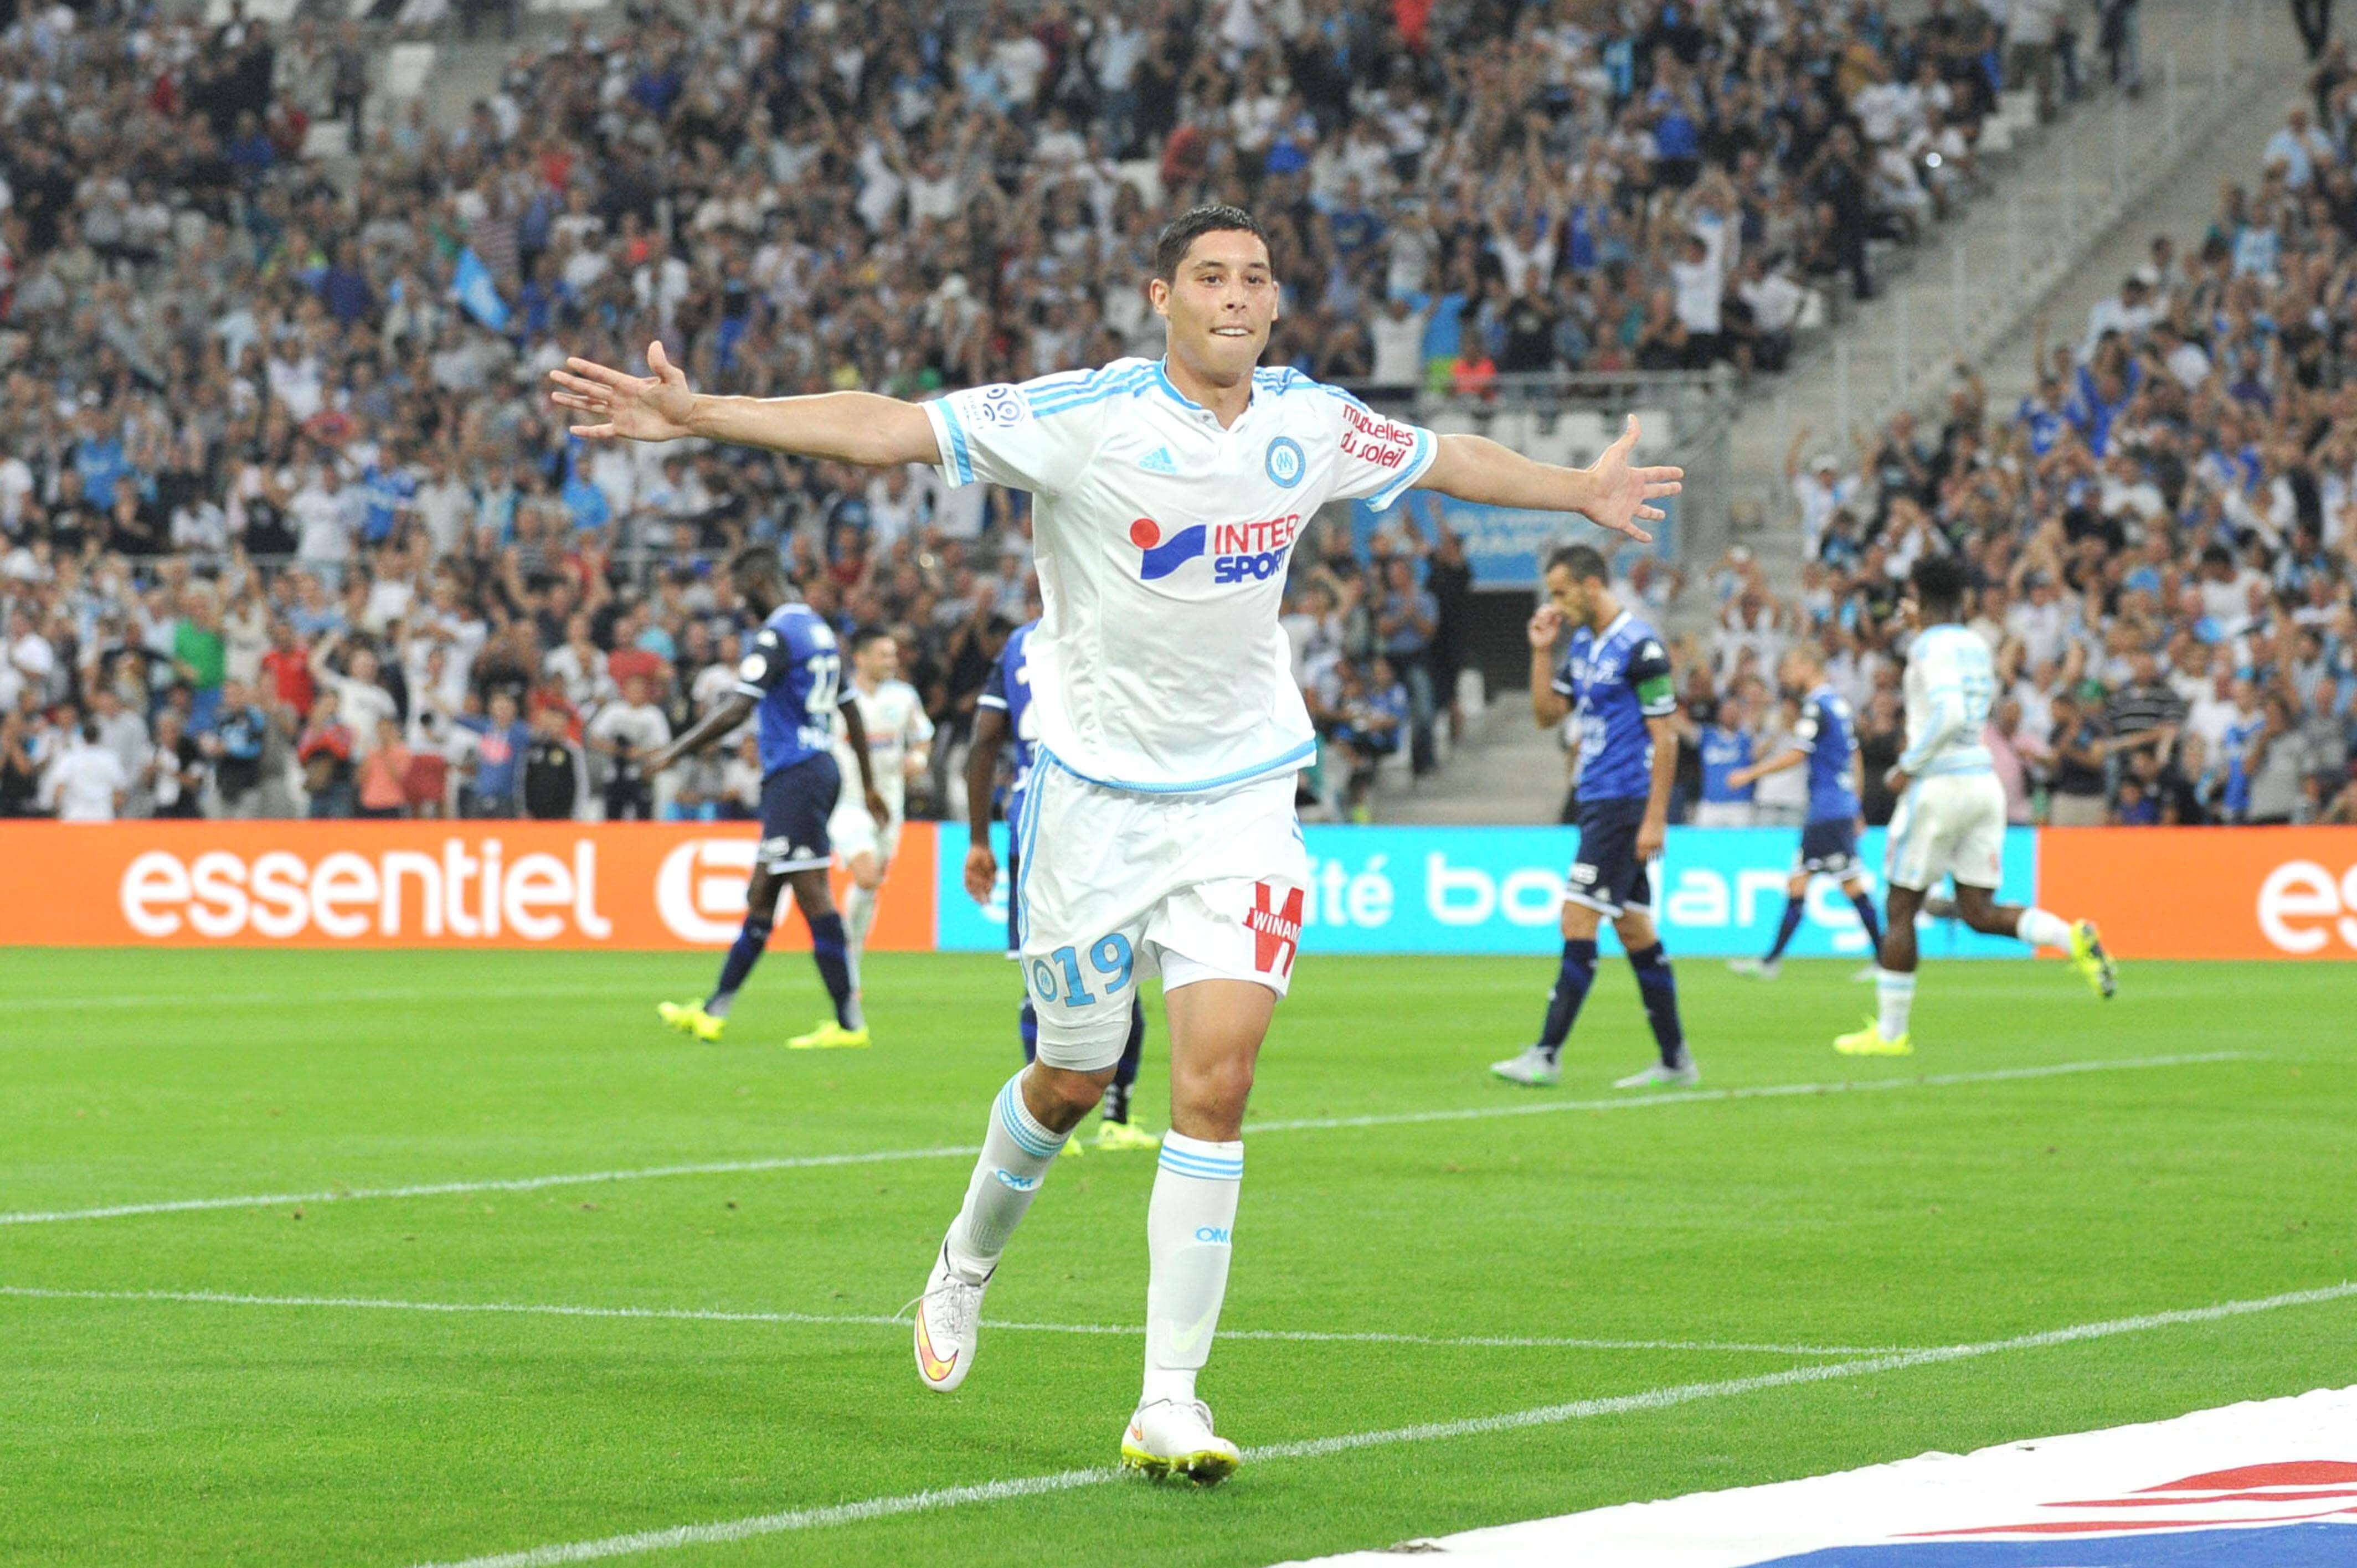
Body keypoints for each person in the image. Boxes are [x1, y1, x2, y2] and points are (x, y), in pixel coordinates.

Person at [547, 203, 1674, 1482]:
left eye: (1256, 277)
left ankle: (1170, 1400)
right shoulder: (1085, 417)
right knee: (1073, 1078)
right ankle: (966, 1259)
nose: (1237, 296)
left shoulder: (1309, 421)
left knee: (1217, 1087)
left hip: (1246, 797)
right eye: (1212, 276)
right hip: (1091, 804)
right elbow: (887, 428)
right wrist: (703, 415)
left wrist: (1579, 487)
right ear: (1163, 296)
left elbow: (1447, 455)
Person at [1838, 557, 2117, 1058]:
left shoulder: (1927, 646)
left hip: (1938, 785)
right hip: (1981, 782)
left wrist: (1908, 764)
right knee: (1978, 911)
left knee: (1901, 906)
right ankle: (2071, 936)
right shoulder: (1974, 643)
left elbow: (1947, 710)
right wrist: (1920, 618)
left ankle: (1890, 1033)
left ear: (1918, 593)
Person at [644, 545, 887, 1052]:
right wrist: (867, 784)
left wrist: (676, 750)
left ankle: (849, 1023)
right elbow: (852, 712)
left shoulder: (776, 634)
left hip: (796, 773)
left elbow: (737, 709)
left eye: (736, 587)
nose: (733, 600)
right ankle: (714, 1012)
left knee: (812, 892)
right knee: (763, 893)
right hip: (811, 769)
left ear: (757, 582)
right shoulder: (818, 631)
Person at [1491, 544, 1696, 1092]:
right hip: (1597, 800)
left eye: (1561, 592)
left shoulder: (1641, 647)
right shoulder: (1582, 644)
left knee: (1576, 920)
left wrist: (1655, 820)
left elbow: (1665, 735)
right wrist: (1540, 650)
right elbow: (1545, 716)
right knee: (1634, 931)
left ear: (1590, 585)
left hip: (1624, 803)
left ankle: (1546, 1053)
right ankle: (1675, 1059)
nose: (1555, 604)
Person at [966, 618, 1157, 1153]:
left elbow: (983, 743)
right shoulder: (1119, 626)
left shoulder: (1018, 642)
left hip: (1035, 823)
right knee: (1120, 971)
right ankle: (1118, 1119)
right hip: (1106, 823)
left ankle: (1045, 1121)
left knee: (1041, 981)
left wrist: (978, 840)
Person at [1727, 644, 1884, 978]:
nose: (1788, 674)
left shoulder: (1816, 707)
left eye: (1792, 665)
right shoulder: (1839, 706)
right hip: (1834, 808)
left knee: (1849, 885)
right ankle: (1771, 961)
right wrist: (1854, 804)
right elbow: (1853, 756)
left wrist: (1749, 774)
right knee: (1800, 884)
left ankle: (1886, 960)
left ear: (1807, 665)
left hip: (1827, 810)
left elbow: (1798, 754)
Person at [828, 627, 936, 1005]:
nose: (892, 662)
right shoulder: (839, 698)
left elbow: (923, 735)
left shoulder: (904, 697)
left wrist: (918, 758)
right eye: (883, 655)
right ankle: (846, 968)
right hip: (847, 803)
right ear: (860, 658)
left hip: (890, 807)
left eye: (894, 655)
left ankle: (848, 960)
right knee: (867, 874)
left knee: (870, 888)